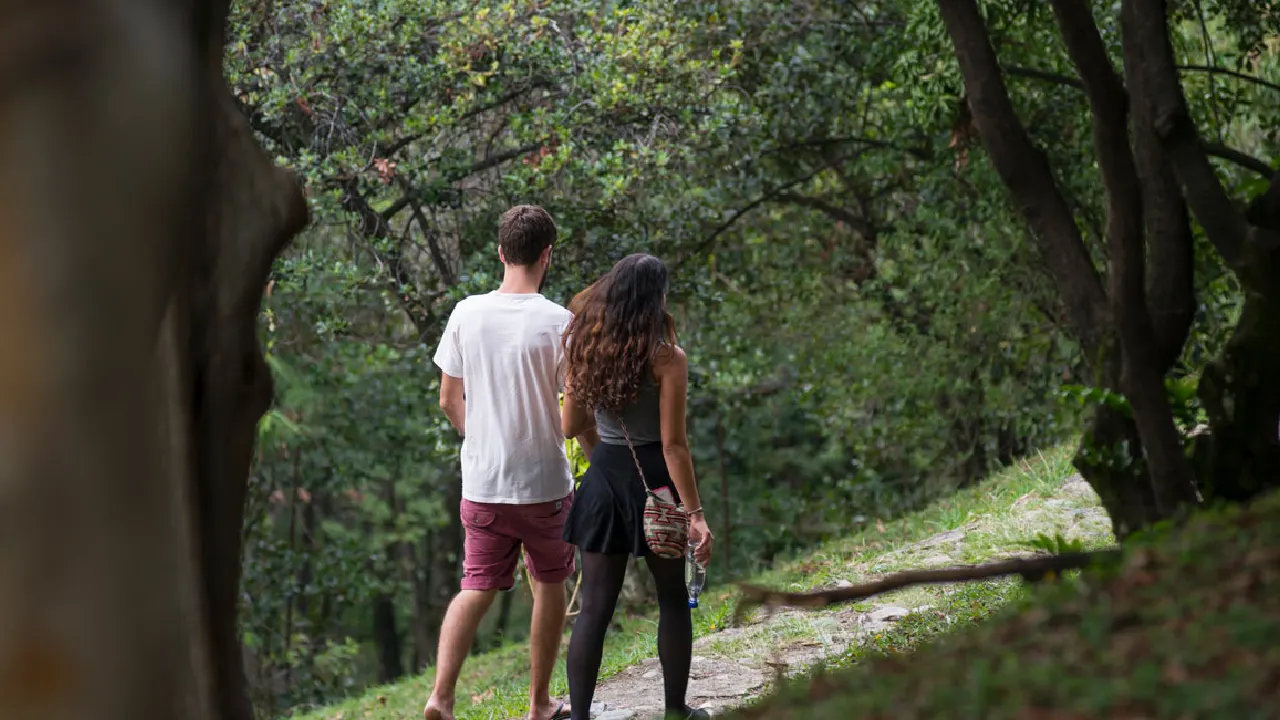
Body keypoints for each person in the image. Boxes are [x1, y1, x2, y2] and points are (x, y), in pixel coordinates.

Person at [426, 205, 592, 720]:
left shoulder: (466, 313)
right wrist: (601, 463)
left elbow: (448, 399)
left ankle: (440, 697)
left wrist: (480, 437)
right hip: (544, 486)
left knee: (475, 587)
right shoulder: (561, 323)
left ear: (500, 253)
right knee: (550, 585)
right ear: (547, 255)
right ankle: (539, 704)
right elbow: (576, 414)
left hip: (483, 484)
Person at [559, 253, 715, 720]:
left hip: (604, 478)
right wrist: (695, 515)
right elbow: (673, 446)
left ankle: (580, 717)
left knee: (594, 609)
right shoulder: (667, 358)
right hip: (657, 484)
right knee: (672, 598)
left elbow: (570, 425)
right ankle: (675, 711)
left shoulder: (586, 349)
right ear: (655, 299)